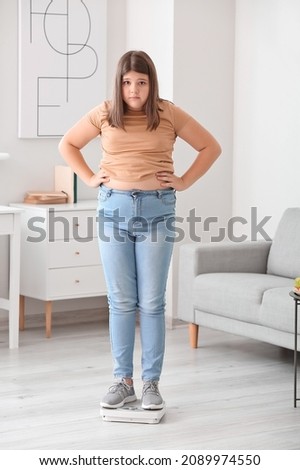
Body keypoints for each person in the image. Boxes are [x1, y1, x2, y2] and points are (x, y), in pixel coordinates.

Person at [58, 50, 221, 410]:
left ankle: (151, 384)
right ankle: (122, 380)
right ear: (119, 83)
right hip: (112, 209)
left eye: (141, 82)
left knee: (151, 302)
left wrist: (184, 181)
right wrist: (87, 177)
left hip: (157, 211)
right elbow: (67, 144)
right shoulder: (104, 112)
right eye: (127, 82)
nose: (134, 89)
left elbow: (211, 146)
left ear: (152, 84)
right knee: (120, 301)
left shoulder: (168, 113)